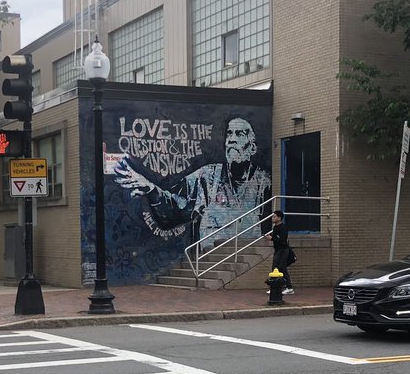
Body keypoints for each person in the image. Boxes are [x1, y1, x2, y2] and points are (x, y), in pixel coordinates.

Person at [113, 115, 271, 251]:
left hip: (245, 255)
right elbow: (176, 206)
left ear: (252, 148)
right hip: (208, 257)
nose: (232, 140)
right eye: (229, 134)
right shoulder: (207, 177)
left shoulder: (264, 183)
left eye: (239, 134)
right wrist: (151, 189)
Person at [267, 209, 294, 294]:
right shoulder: (275, 227)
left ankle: (289, 287)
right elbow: (275, 238)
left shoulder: (283, 228)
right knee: (275, 268)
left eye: (274, 216)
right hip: (277, 249)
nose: (272, 218)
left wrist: (272, 238)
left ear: (279, 218)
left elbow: (282, 240)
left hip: (283, 250)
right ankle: (274, 286)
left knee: (282, 268)